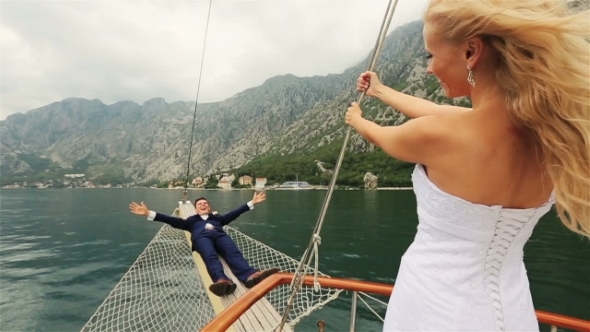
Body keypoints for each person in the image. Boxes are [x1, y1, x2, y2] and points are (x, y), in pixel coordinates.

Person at [345, 0, 589, 331]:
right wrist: (381, 90)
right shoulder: (550, 136)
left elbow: (381, 135)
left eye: (431, 55)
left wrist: (356, 119)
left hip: (432, 308)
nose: (429, 68)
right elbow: (430, 109)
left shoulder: (439, 135)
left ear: (471, 51)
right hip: (513, 310)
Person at [129, 192, 280, 297]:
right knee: (210, 256)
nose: (202, 205)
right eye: (200, 204)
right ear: (195, 208)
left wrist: (251, 203)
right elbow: (170, 220)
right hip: (202, 238)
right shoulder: (191, 222)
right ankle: (222, 281)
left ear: (209, 207)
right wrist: (148, 213)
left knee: (233, 252)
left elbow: (234, 213)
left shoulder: (218, 220)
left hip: (220, 236)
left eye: (205, 203)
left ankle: (250, 276)